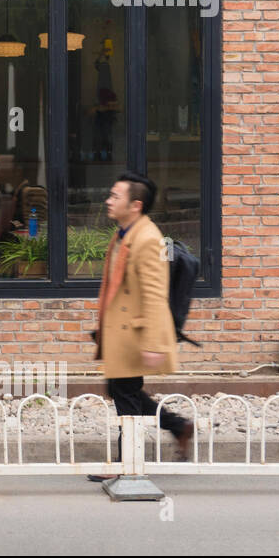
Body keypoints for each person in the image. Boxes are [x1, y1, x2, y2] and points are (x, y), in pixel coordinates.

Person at [88, 170, 194, 482]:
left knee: (126, 398)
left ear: (135, 205)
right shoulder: (125, 233)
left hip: (134, 335)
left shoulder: (148, 239)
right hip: (121, 332)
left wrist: (153, 343)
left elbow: (155, 293)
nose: (108, 201)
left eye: (114, 196)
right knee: (123, 391)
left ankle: (126, 465)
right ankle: (178, 426)